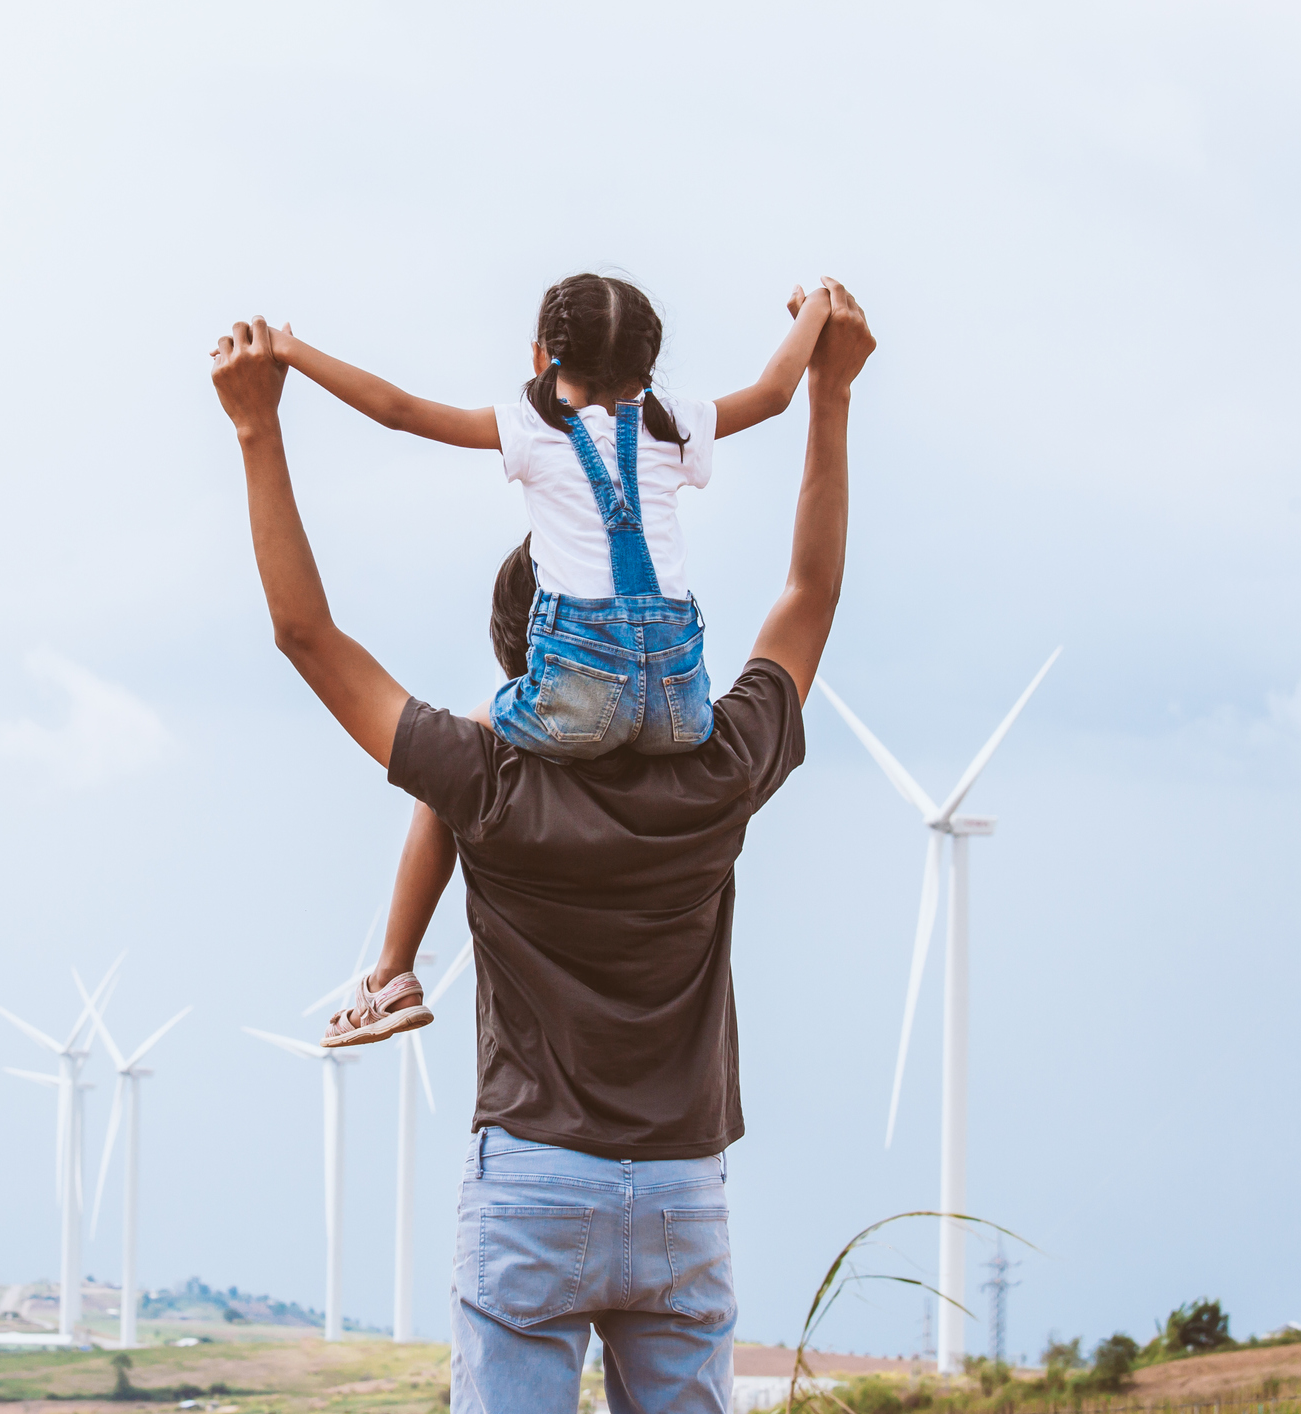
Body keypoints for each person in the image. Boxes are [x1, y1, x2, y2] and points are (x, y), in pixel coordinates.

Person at [209, 281, 874, 1414]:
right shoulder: (718, 768)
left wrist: (259, 428)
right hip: (681, 1190)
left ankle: (387, 975)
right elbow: (808, 594)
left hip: (530, 1184)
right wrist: (830, 397)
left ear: (521, 657)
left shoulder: (487, 779)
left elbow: (307, 636)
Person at [268, 274, 832, 1046]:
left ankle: (391, 972)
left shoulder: (531, 431)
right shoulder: (674, 426)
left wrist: (294, 353)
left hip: (579, 691)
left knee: (462, 741)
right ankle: (392, 971)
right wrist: (817, 316)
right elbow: (774, 393)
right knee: (485, 738)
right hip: (679, 704)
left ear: (540, 358)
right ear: (650, 366)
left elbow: (397, 412)